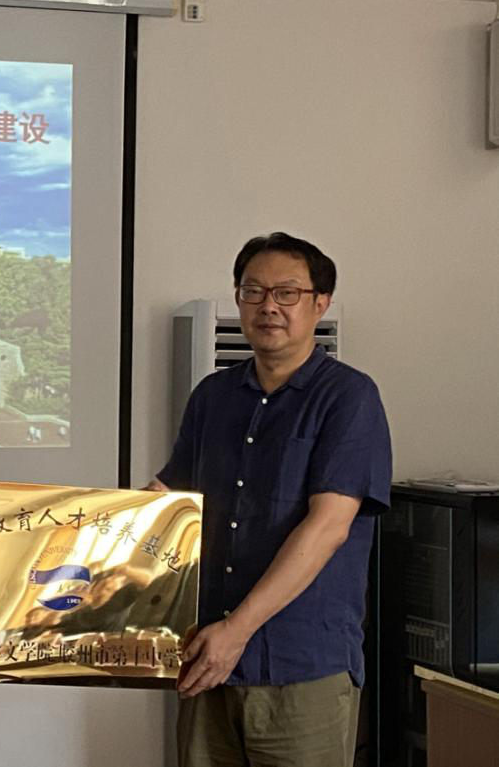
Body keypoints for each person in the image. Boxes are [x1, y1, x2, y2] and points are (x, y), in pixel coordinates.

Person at [152, 233, 391, 767]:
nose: (268, 306)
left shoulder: (349, 397)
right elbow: (167, 503)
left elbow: (327, 528)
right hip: (207, 657)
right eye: (253, 291)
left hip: (300, 666)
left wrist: (236, 632)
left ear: (320, 303)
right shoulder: (213, 396)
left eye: (287, 293)